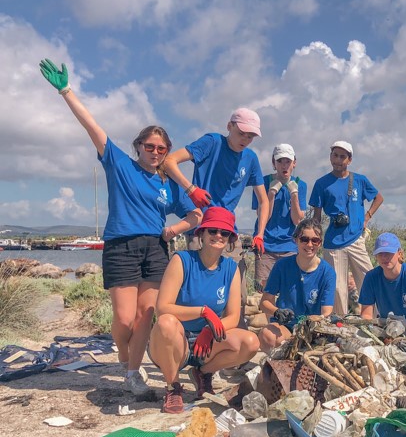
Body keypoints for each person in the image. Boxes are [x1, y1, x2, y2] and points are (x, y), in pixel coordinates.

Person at [39, 58, 202, 401]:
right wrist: (65, 90)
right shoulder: (119, 164)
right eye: (150, 147)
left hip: (156, 248)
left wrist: (174, 230)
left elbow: (196, 216)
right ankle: (127, 357)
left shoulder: (167, 183)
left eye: (162, 149)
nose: (156, 152)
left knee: (148, 313)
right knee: (125, 320)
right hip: (121, 246)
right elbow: (92, 127)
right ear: (138, 147)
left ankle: (131, 373)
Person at [149, 207, 259, 413]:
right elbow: (162, 307)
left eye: (224, 233)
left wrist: (209, 330)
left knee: (251, 342)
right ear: (201, 233)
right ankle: (173, 387)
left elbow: (234, 316)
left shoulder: (230, 268)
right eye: (213, 230)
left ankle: (203, 373)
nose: (218, 236)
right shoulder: (182, 260)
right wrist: (203, 312)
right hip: (173, 342)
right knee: (166, 322)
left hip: (206, 345)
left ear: (230, 239)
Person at [161, 107, 269, 253]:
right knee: (198, 275)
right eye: (241, 133)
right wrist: (191, 189)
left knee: (234, 274)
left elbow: (263, 201)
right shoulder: (212, 142)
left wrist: (260, 234)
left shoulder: (251, 158)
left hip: (229, 231)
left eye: (250, 136)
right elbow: (169, 161)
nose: (245, 139)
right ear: (229, 126)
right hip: (201, 229)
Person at [309, 141, 383, 314]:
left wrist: (367, 217)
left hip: (356, 238)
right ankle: (339, 324)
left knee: (368, 279)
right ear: (330, 157)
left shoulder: (360, 180)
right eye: (335, 155)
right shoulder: (322, 183)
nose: (338, 160)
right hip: (334, 242)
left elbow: (378, 198)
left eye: (343, 156)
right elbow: (316, 217)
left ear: (349, 160)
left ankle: (376, 318)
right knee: (337, 288)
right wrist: (313, 238)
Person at [257, 220, 335, 352]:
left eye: (315, 240)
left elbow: (326, 311)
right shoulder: (282, 266)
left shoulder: (328, 272)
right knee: (267, 335)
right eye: (304, 239)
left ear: (320, 243)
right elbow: (264, 302)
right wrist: (277, 312)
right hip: (285, 327)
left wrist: (313, 322)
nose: (309, 244)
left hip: (312, 330)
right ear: (296, 240)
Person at [252, 143, 307, 291]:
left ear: (294, 163)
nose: (284, 165)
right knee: (266, 290)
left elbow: (297, 220)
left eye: (288, 161)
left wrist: (294, 195)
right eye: (280, 161)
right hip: (266, 245)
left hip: (290, 245)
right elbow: (264, 216)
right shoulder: (261, 182)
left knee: (289, 288)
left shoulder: (301, 185)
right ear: (273, 163)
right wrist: (271, 194)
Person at [359, 232, 406, 323]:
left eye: (388, 252)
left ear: (399, 253)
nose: (384, 257)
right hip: (386, 326)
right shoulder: (371, 277)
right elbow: (366, 314)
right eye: (380, 253)